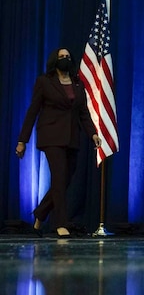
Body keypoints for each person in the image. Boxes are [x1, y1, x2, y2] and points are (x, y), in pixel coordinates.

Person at [15, 48, 102, 237]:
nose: (65, 59)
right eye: (61, 57)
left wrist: (93, 134)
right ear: (55, 60)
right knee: (59, 176)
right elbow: (33, 111)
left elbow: (83, 113)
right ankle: (60, 224)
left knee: (64, 179)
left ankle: (40, 214)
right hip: (51, 136)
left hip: (72, 138)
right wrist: (23, 140)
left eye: (68, 57)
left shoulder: (78, 84)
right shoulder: (44, 82)